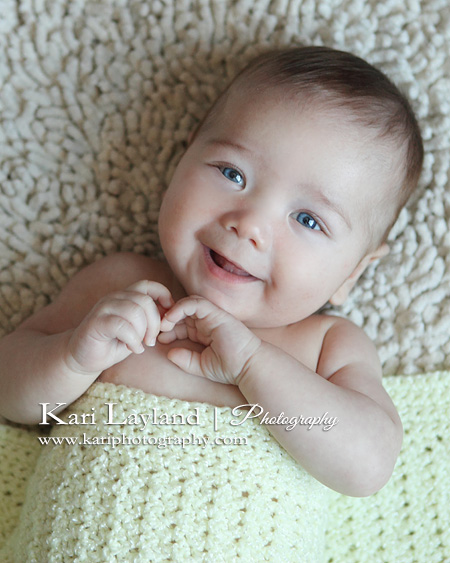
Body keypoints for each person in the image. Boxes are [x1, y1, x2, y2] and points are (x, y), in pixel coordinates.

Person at [0, 46, 423, 497]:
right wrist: (71, 358)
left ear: (352, 274)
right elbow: (10, 394)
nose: (250, 225)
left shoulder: (326, 348)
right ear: (183, 159)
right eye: (232, 173)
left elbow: (368, 466)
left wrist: (251, 364)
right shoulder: (118, 288)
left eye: (307, 219)